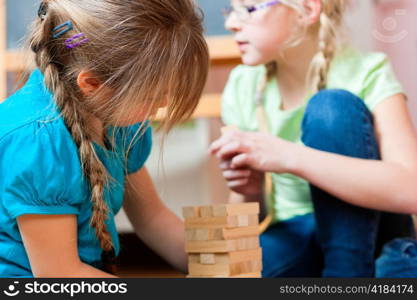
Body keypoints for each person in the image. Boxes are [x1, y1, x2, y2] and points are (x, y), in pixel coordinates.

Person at [0, 0, 209, 277]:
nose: (162, 104)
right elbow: (59, 275)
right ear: (91, 84)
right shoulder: (38, 141)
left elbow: (152, 218)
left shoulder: (116, 116)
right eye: (150, 96)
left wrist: (215, 269)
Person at [210, 0, 417, 277]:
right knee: (229, 274)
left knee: (331, 107)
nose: (230, 24)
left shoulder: (368, 71)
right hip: (298, 233)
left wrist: (287, 156)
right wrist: (250, 190)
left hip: (377, 230)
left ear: (307, 10)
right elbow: (247, 211)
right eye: (230, 10)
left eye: (247, 9)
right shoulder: (243, 85)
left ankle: (346, 273)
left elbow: (411, 189)